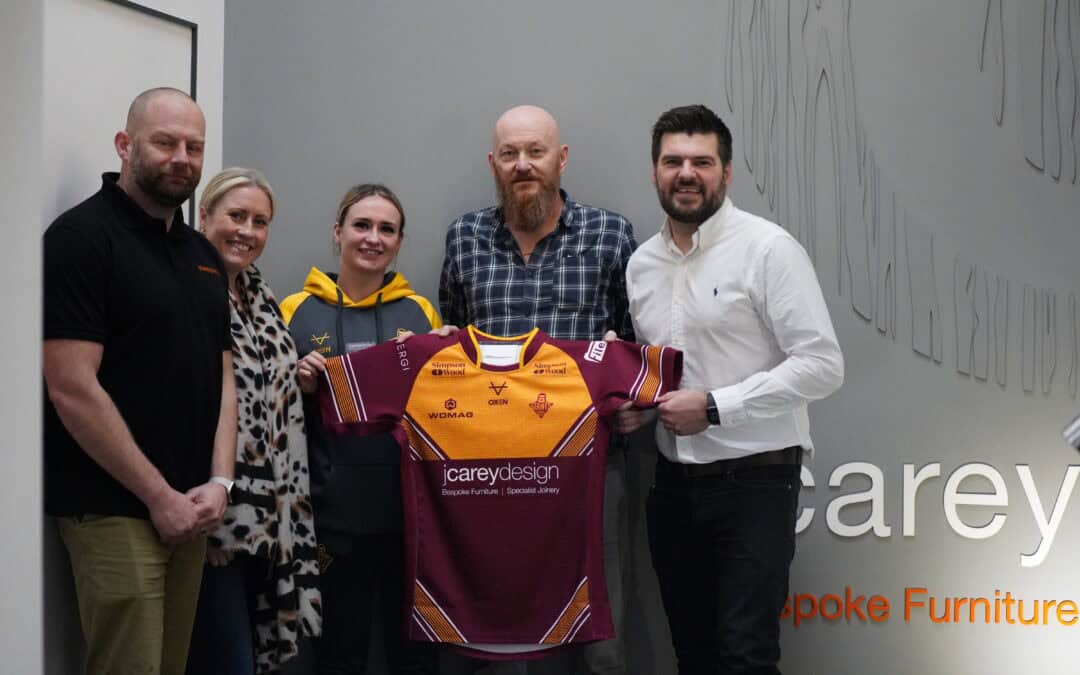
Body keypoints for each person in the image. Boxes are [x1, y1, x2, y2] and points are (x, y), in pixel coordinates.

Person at [624, 104, 844, 674]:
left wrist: (717, 407)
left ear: (726, 172)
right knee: (692, 656)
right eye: (673, 161)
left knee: (745, 655)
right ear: (654, 173)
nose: (687, 173)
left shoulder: (768, 250)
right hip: (672, 485)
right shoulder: (642, 265)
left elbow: (822, 364)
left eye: (702, 161)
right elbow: (665, 372)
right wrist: (637, 407)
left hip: (756, 481)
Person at [42, 87, 236, 675]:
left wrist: (220, 482)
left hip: (194, 507)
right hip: (113, 509)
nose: (181, 157)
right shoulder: (80, 239)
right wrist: (158, 496)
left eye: (194, 146)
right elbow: (72, 386)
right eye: (165, 142)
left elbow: (223, 375)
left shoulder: (202, 252)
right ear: (125, 145)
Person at [439, 105, 637, 675]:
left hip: (593, 466)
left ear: (561, 158)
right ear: (493, 164)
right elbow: (455, 337)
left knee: (600, 636)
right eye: (509, 154)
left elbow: (631, 342)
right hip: (492, 473)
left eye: (536, 151)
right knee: (502, 642)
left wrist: (628, 401)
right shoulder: (466, 237)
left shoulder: (611, 234)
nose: (523, 165)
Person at [281, 183, 441, 674]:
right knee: (339, 652)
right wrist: (300, 385)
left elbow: (442, 413)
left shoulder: (421, 313)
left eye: (386, 229)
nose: (373, 238)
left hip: (408, 516)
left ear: (399, 241)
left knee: (414, 655)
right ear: (338, 232)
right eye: (362, 225)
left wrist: (435, 359)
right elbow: (268, 412)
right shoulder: (293, 310)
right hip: (329, 516)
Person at [184, 168, 322, 674]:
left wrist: (298, 381)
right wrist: (208, 525)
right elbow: (176, 407)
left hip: (269, 523)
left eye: (259, 221)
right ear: (205, 215)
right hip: (214, 522)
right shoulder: (186, 287)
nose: (247, 230)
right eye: (236, 216)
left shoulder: (260, 297)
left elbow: (264, 396)